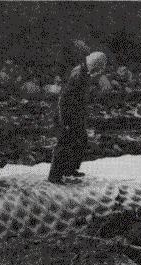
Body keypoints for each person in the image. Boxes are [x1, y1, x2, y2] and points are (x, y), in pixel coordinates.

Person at [48, 48, 108, 184]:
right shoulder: (78, 74)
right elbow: (64, 99)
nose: (100, 71)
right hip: (66, 114)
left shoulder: (84, 71)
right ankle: (55, 176)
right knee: (64, 143)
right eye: (100, 67)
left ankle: (70, 170)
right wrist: (65, 120)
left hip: (75, 114)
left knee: (80, 140)